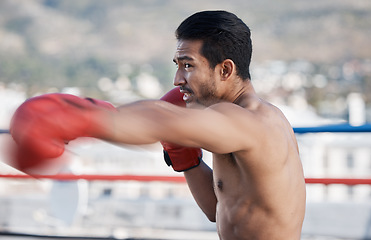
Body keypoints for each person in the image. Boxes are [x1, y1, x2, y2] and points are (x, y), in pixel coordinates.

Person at [9, 10, 306, 239]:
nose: (178, 80)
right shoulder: (240, 121)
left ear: (225, 69)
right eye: (177, 66)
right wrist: (184, 156)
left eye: (188, 66)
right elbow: (217, 210)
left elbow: (159, 118)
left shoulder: (248, 122)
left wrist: (87, 118)